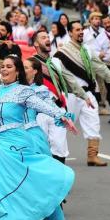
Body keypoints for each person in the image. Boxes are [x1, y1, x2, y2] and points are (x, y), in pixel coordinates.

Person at [0, 55, 78, 220]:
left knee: (21, 182)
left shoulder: (24, 92)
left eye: (8, 66)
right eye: (2, 66)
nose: (3, 69)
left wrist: (63, 116)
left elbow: (46, 107)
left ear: (17, 71)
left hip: (16, 144)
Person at [54, 21, 110, 166]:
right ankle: (57, 157)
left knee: (93, 122)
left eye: (81, 29)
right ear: (70, 33)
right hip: (71, 95)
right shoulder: (62, 52)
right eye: (77, 30)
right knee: (63, 126)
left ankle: (92, 156)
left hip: (88, 94)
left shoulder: (87, 49)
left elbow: (100, 67)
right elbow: (61, 75)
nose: (80, 32)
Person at [32, 29, 89, 163]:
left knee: (60, 147)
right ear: (35, 43)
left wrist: (84, 95)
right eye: (43, 37)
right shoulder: (30, 63)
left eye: (48, 37)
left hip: (58, 110)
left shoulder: (56, 62)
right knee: (41, 148)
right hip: (39, 112)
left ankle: (58, 180)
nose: (47, 39)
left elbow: (70, 80)